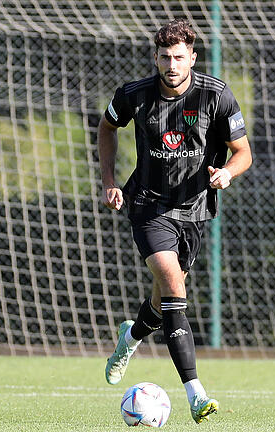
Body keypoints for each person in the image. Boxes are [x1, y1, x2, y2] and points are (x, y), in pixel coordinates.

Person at [97, 19, 252, 423]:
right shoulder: (134, 95)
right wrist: (110, 181)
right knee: (171, 282)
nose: (171, 64)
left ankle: (130, 338)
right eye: (165, 56)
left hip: (195, 210)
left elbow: (243, 152)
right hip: (148, 205)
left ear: (192, 58)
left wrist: (228, 173)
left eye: (179, 57)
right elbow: (107, 127)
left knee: (166, 297)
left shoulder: (215, 96)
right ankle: (196, 394)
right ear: (155, 57)